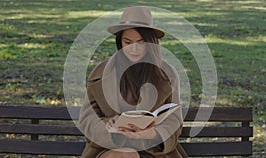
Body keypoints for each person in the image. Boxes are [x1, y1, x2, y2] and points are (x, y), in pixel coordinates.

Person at [78, 6, 188, 158]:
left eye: (141, 42)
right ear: (120, 42)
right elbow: (87, 119)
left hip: (152, 150)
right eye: (128, 42)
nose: (134, 49)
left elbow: (174, 121)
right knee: (127, 155)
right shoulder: (100, 74)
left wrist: (153, 134)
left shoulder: (167, 75)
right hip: (109, 148)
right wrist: (108, 125)